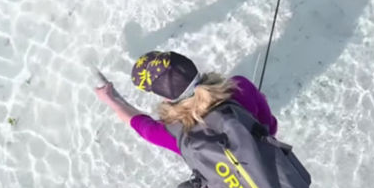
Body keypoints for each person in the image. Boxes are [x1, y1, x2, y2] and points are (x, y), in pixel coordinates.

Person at [94, 51, 277, 154]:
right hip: (266, 158)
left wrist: (110, 100)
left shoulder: (174, 133)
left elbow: (138, 123)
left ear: (166, 98)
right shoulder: (239, 86)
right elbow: (270, 125)